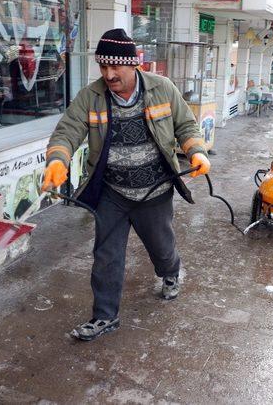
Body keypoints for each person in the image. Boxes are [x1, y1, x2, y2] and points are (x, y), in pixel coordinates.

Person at [42, 29, 210, 341]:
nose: (108, 74)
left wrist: (196, 151)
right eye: (103, 67)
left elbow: (185, 124)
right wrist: (57, 160)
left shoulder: (163, 89)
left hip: (155, 190)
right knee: (106, 255)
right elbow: (67, 130)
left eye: (115, 67)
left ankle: (171, 272)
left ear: (134, 64)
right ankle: (104, 316)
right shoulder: (90, 97)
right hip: (112, 192)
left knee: (161, 248)